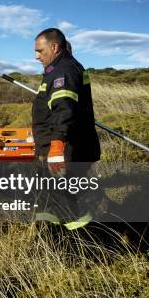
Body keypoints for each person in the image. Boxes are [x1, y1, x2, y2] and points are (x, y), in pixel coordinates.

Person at [31, 28, 101, 229]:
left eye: (40, 50)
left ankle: (79, 244)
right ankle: (54, 238)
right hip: (62, 148)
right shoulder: (61, 68)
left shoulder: (63, 70)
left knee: (68, 204)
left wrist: (56, 146)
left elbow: (64, 110)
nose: (36, 56)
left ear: (54, 47)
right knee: (55, 200)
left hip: (65, 151)